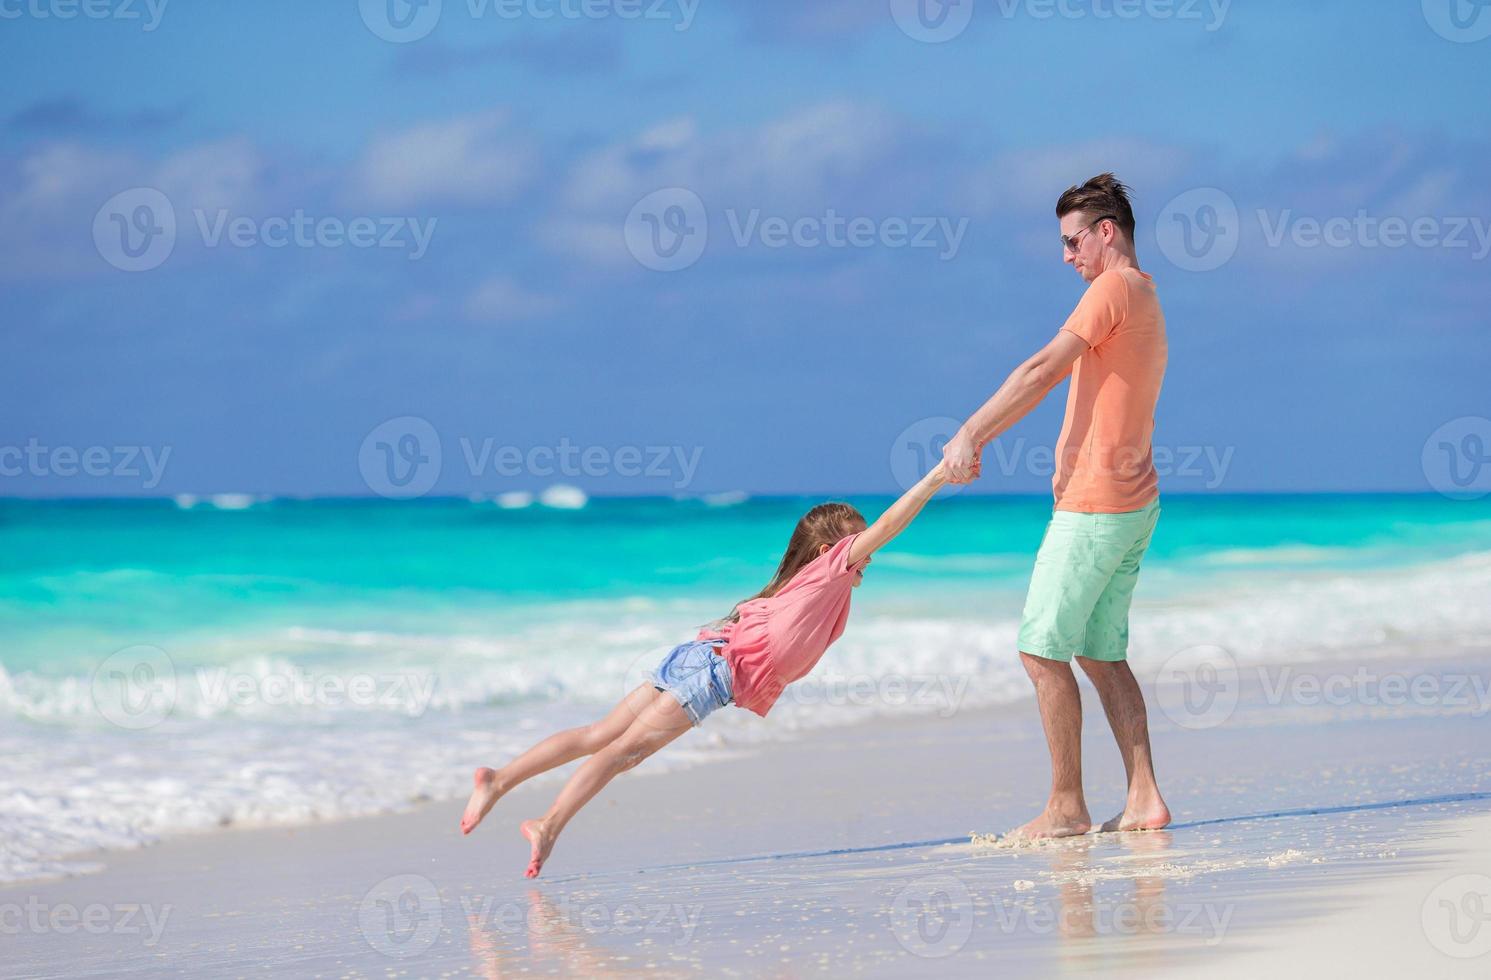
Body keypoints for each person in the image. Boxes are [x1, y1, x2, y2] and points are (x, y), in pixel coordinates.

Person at [459, 464, 948, 876]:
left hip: (704, 655)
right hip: (713, 670)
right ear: (831, 553)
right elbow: (890, 524)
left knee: (599, 734)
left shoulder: (804, 586)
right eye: (861, 547)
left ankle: (498, 781)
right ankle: (547, 824)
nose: (870, 555)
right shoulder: (829, 574)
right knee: (622, 751)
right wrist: (936, 478)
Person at [942, 173, 1171, 839]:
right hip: (1130, 506)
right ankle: (1143, 797)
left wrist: (970, 433)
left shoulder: (1112, 288)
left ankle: (1065, 806)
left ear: (1107, 233)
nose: (1066, 255)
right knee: (1099, 654)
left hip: (1096, 510)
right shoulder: (1144, 295)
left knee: (1041, 651)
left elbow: (1041, 370)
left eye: (1073, 241)